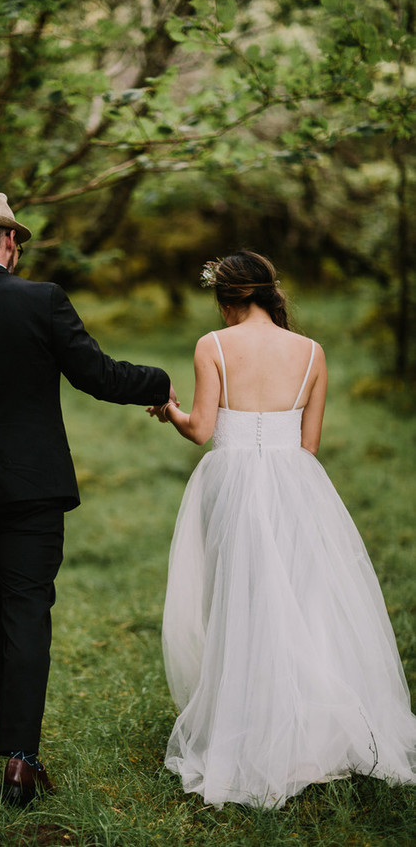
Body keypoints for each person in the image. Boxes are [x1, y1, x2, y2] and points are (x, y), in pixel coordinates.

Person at [0, 192, 174, 806]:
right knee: (25, 607)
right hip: (34, 486)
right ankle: (21, 760)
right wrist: (162, 382)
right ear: (10, 243)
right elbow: (97, 376)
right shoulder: (40, 299)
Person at [148, 251, 416, 809]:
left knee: (239, 599)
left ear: (227, 299)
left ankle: (248, 721)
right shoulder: (313, 352)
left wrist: (168, 410)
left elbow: (200, 430)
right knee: (301, 598)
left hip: (231, 482)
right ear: (268, 293)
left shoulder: (213, 346)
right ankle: (310, 724)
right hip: (299, 484)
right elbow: (308, 445)